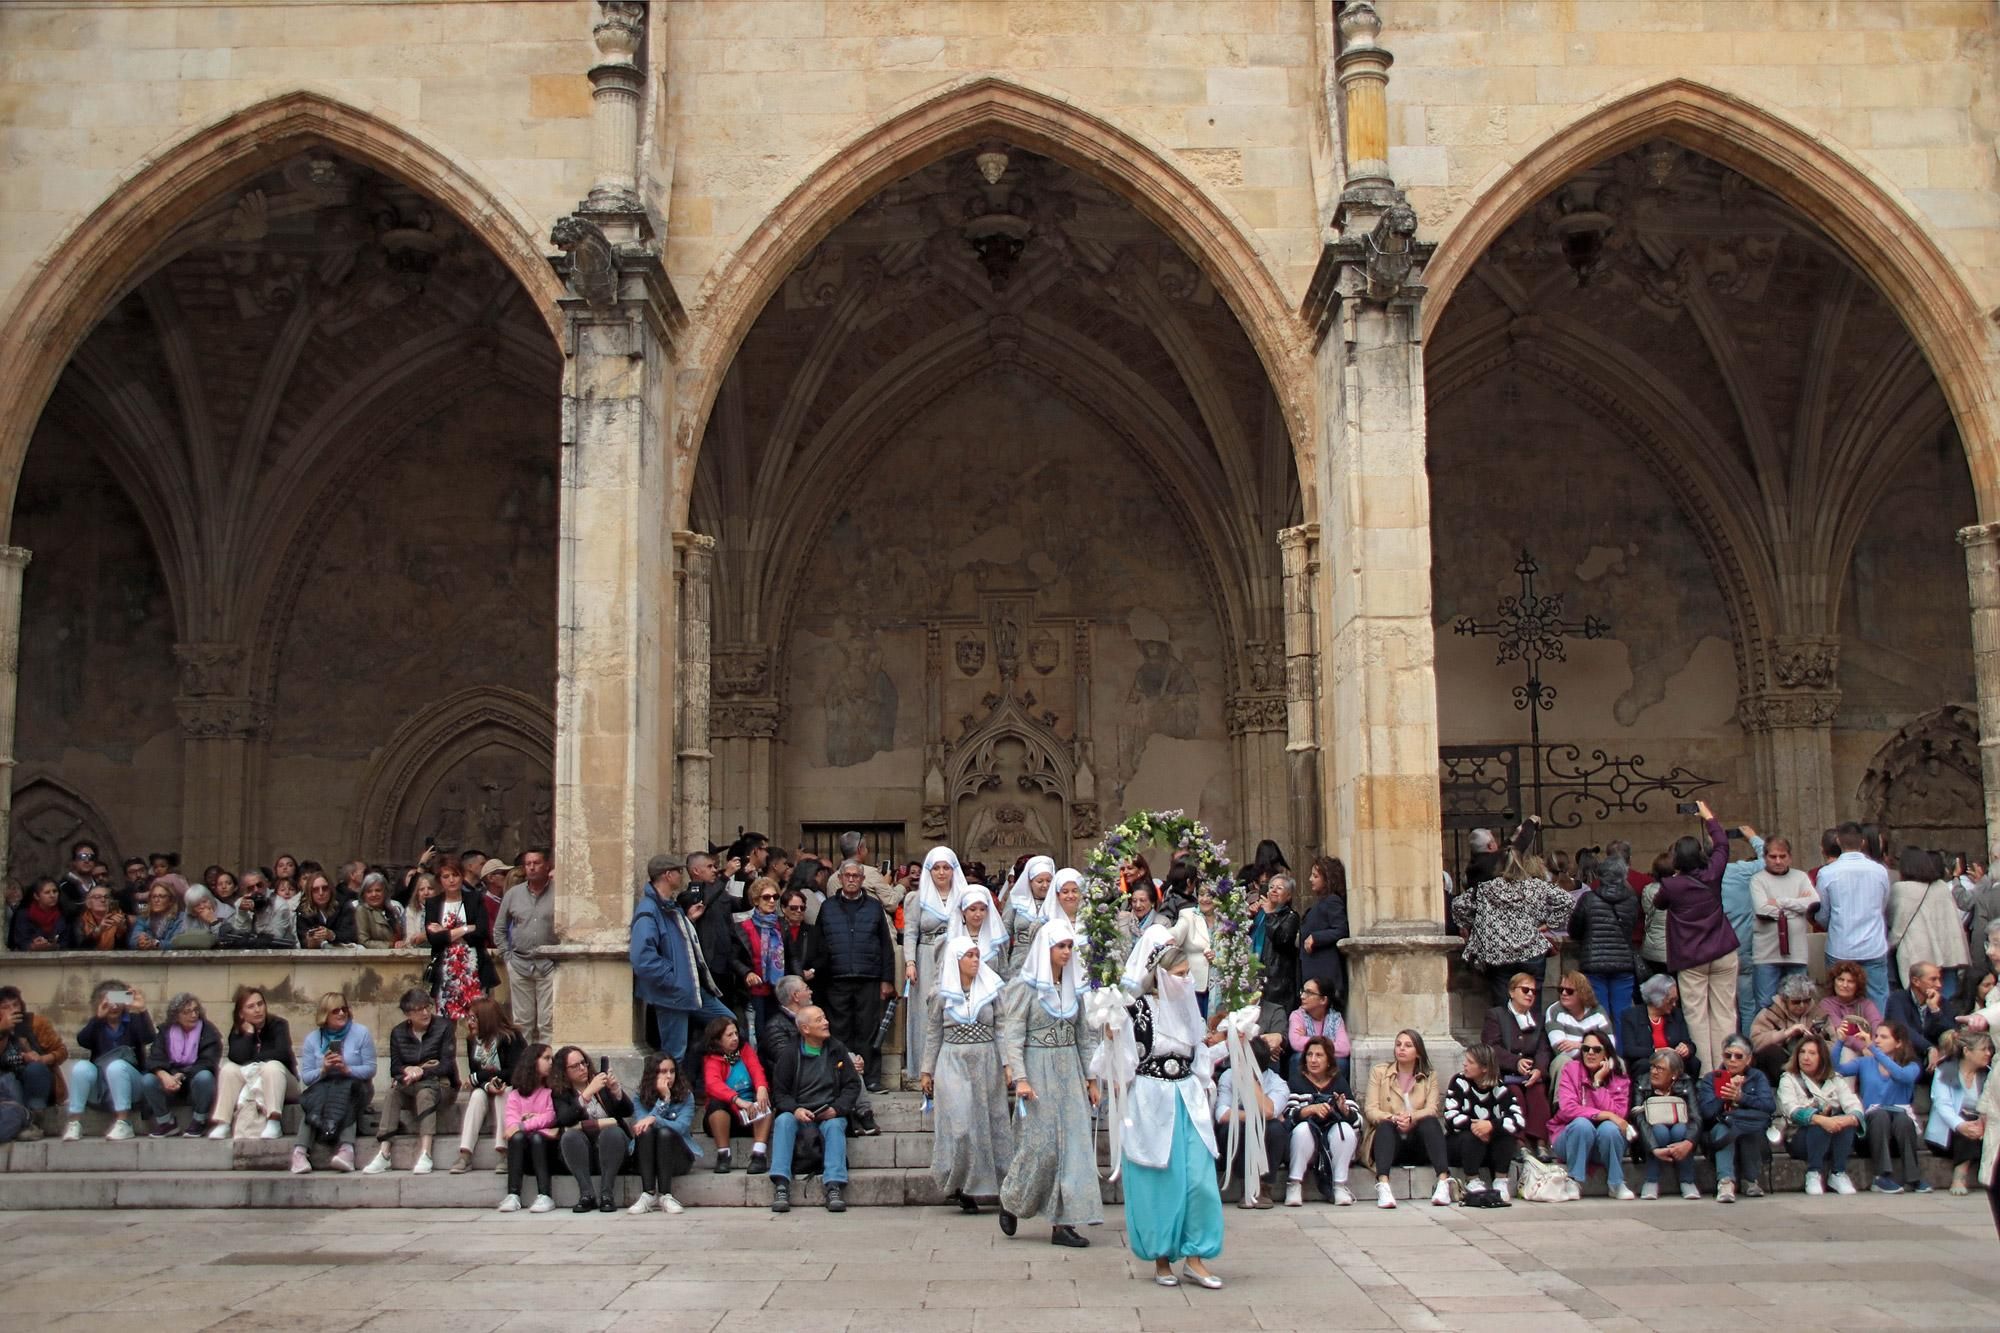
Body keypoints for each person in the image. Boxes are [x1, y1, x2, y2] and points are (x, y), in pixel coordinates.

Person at [1112, 942, 1226, 1289]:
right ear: (1161, 976)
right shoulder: (1138, 1011)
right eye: (1179, 975)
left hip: (1187, 1096)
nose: (1186, 980)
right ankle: (1161, 1257)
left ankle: (1195, 1256)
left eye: (1188, 974)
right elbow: (1123, 1061)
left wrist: (1233, 1038)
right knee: (1159, 1178)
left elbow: (1200, 1058)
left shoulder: (1190, 1009)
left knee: (1198, 1178)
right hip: (1151, 1099)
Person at [998, 921, 1103, 1245]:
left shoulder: (1075, 988)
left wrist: (1091, 1078)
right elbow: (1013, 1034)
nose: (1067, 953)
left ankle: (1063, 1222)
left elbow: (1084, 1036)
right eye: (1061, 947)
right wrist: (1021, 1078)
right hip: (1038, 1069)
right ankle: (1012, 1199)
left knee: (1073, 1146)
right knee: (1039, 1147)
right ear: (1047, 949)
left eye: (1070, 946)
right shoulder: (1025, 987)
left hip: (1068, 1069)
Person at [923, 934, 1012, 1212]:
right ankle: (958, 1182)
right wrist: (927, 1070)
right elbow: (933, 1032)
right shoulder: (940, 994)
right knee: (960, 1125)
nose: (975, 960)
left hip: (986, 1060)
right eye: (969, 956)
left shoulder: (991, 989)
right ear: (956, 960)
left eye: (977, 955)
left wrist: (1009, 1064)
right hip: (953, 1060)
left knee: (992, 1122)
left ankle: (999, 1186)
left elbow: (1001, 1029)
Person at [1654, 802, 1737, 1073]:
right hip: (1722, 949)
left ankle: (1706, 1077)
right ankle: (1728, 1071)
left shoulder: (1672, 885)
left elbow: (1658, 903)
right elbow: (1723, 845)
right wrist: (1709, 817)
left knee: (1696, 1018)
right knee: (1725, 1014)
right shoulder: (1713, 874)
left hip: (1691, 957)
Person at [1451, 819, 1571, 1007]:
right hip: (1531, 951)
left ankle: (1508, 1035)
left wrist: (1477, 925)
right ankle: (1532, 1034)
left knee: (1503, 1007)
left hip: (1500, 953)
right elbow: (1566, 901)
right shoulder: (1534, 886)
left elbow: (1458, 905)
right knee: (1532, 1006)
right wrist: (1548, 924)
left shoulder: (1486, 888)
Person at [766, 1004, 863, 1214]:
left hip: (828, 1111)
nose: (826, 1023)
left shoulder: (836, 1049)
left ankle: (834, 1185)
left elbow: (852, 1085)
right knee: (783, 1121)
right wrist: (795, 1110)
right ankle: (781, 1184)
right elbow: (780, 1093)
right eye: (819, 1020)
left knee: (836, 1125)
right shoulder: (790, 1054)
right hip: (800, 1113)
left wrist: (837, 1109)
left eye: (824, 1018)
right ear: (805, 1029)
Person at [818, 859, 897, 1094]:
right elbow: (819, 945)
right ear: (840, 879)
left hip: (869, 977)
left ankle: (871, 1079)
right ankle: (841, 1077)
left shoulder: (874, 907)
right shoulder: (828, 907)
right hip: (837, 978)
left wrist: (887, 979)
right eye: (847, 875)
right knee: (839, 1031)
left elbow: (885, 946)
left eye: (856, 875)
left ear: (863, 880)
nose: (851, 879)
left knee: (868, 1030)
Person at [362, 988, 457, 1176]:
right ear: (408, 1014)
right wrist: (407, 1070)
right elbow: (394, 1068)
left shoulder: (444, 1027)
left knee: (425, 1092)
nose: (425, 1013)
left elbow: (447, 1065)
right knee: (392, 1093)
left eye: (427, 1007)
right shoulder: (398, 1033)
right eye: (418, 1009)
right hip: (411, 1086)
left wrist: (422, 1071)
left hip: (442, 1087)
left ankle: (426, 1153)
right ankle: (384, 1152)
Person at [1363, 1029, 1450, 1209]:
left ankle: (1443, 1182)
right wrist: (1394, 1118)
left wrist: (1412, 1117)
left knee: (1430, 1122)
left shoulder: (1429, 1076)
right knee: (1385, 1126)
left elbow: (1432, 1109)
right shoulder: (1379, 1072)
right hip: (1389, 1143)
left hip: (1417, 1143)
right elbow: (1370, 1110)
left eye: (1408, 1045)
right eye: (1398, 1044)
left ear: (1418, 1052)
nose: (1401, 1049)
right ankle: (1384, 1185)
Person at [291, 991, 376, 1174]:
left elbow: (370, 1069)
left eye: (344, 1009)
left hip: (356, 1085)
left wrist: (348, 1070)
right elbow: (306, 1077)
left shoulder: (361, 1033)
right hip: (325, 1085)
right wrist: (323, 1070)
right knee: (315, 1101)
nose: (341, 1014)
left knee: (345, 1094)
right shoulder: (313, 1039)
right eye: (335, 1011)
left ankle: (347, 1150)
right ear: (324, 1015)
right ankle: (300, 1152)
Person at [1837, 1020, 1924, 1193]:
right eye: (1876, 1036)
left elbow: (1902, 1076)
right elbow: (1835, 1068)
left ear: (1898, 1043)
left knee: (1902, 1118)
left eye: (1883, 1037)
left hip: (1899, 1136)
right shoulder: (1864, 1063)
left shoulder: (1912, 1066)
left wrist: (1874, 1051)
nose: (1876, 1041)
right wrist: (1840, 1041)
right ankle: (1881, 1177)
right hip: (1869, 1136)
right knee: (1880, 1114)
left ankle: (1914, 1178)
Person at [62, 980, 154, 1141]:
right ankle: (74, 1123)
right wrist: (98, 1018)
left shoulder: (133, 1021)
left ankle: (123, 1122)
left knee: (116, 1067)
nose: (114, 1006)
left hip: (131, 1084)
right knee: (81, 1067)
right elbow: (83, 1040)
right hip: (102, 1087)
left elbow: (148, 1037)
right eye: (109, 1000)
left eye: (118, 1000)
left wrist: (141, 1010)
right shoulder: (97, 1025)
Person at [904, 847, 968, 1082]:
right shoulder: (916, 899)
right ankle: (925, 1070)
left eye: (946, 868)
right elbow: (910, 933)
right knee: (926, 1013)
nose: (941, 873)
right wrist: (910, 962)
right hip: (927, 956)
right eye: (936, 868)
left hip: (956, 958)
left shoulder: (964, 896)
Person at [1816, 822, 1893, 1008]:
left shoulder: (1827, 873)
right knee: (1878, 998)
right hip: (1873, 944)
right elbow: (1883, 904)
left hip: (1841, 945)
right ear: (1863, 842)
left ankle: (1842, 1033)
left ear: (1838, 840)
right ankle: (1878, 1035)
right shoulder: (1880, 871)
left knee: (1839, 999)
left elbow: (1823, 912)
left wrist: (1833, 925)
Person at [1549, 1034, 1633, 1201]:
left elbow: (1620, 1114)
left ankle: (1616, 1183)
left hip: (1604, 1143)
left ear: (1606, 1054)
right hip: (1571, 1138)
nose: (1590, 1053)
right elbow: (1568, 1109)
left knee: (1609, 1128)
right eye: (1585, 1049)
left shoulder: (1619, 1078)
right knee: (1582, 1124)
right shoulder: (1571, 1069)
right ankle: (1574, 1180)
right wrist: (1606, 1115)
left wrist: (1598, 1083)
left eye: (1596, 1049)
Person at [1777, 1034, 1863, 1195]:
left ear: (1821, 1057)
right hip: (1799, 1138)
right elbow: (1792, 1110)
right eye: (1802, 1052)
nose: (1806, 1057)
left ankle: (1838, 1173)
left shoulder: (1835, 1079)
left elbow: (1854, 1104)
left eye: (1812, 1053)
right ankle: (1813, 1172)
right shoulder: (1788, 1079)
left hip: (1833, 1138)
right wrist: (1821, 1119)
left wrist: (1848, 1119)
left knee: (1846, 1121)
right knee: (1819, 1124)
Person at [552, 1044, 633, 1212]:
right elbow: (565, 1119)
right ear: (564, 1071)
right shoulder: (561, 1093)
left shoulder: (600, 1083)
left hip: (613, 1149)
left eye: (584, 1063)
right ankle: (586, 1194)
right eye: (575, 1066)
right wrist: (587, 1094)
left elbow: (627, 1111)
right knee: (570, 1137)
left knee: (612, 1132)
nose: (582, 1068)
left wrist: (616, 1090)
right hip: (583, 1153)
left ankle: (606, 1195)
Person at [1283, 1034, 1361, 1206]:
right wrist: (1308, 1110)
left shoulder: (1338, 1082)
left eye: (1319, 1055)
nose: (1313, 1060)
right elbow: (1288, 1116)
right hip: (1305, 1145)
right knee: (1303, 1130)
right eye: (1310, 1055)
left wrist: (1344, 1110)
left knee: (1345, 1131)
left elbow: (1357, 1121)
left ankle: (1339, 1185)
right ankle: (1294, 1183)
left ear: (1329, 1060)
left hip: (1330, 1142)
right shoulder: (1297, 1081)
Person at [1695, 1034, 1774, 1202]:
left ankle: (1750, 1179)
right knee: (1725, 1129)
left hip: (1747, 1124)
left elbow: (1768, 1106)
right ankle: (1725, 1182)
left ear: (1748, 1059)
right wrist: (1725, 1094)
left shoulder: (1757, 1077)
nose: (1732, 1060)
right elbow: (1706, 1113)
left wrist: (1741, 1097)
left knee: (1749, 1129)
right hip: (1719, 1127)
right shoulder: (1712, 1078)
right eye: (1728, 1055)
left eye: (1738, 1056)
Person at [1482, 972, 1554, 1157]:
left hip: (1530, 1074)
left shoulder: (1538, 1019)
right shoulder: (1496, 1015)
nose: (1530, 994)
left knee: (1537, 1092)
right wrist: (1516, 1062)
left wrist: (1539, 1069)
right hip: (1505, 1074)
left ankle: (1540, 1142)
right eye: (1525, 990)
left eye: (1533, 991)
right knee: (1513, 1093)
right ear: (1512, 992)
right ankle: (1519, 1141)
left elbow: (1543, 1049)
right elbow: (1491, 1047)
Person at [211, 985, 297, 1140]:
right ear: (241, 1013)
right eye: (251, 1007)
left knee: (272, 1066)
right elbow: (236, 1057)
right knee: (229, 1069)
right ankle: (223, 1123)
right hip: (252, 1080)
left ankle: (274, 1121)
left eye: (260, 1004)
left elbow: (282, 1053)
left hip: (284, 1083)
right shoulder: (238, 1030)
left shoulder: (278, 1025)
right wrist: (249, 1034)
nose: (258, 1010)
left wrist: (255, 1062)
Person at [1569, 855, 1640, 1040]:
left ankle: (1604, 1057)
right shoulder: (1632, 900)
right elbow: (1631, 928)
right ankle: (1622, 1059)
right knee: (1622, 1015)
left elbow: (1574, 929)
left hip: (1594, 962)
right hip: (1623, 962)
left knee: (1599, 1015)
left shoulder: (1588, 899)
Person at [1444, 1043, 1524, 1207]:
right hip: (1460, 1147)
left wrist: (1491, 1126)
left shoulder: (1500, 1088)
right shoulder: (1459, 1081)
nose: (1465, 1064)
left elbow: (1518, 1120)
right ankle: (1472, 1179)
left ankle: (1501, 1180)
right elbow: (1450, 1116)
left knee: (1506, 1136)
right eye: (1466, 1060)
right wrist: (1477, 1126)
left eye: (1470, 1062)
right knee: (1470, 1136)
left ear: (1485, 1068)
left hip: (1489, 1148)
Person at [1215, 1035, 1287, 1210]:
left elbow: (1269, 1111)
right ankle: (1245, 1185)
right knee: (1235, 1127)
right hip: (1237, 1140)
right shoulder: (1228, 1076)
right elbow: (1222, 1114)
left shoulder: (1278, 1083)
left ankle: (1265, 1187)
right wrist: (1255, 1115)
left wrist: (1248, 1079)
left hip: (1266, 1138)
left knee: (1276, 1128)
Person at [1889, 850, 1969, 1001]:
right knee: (1946, 999)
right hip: (1947, 952)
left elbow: (1895, 924)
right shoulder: (1941, 887)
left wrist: (1887, 945)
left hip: (1917, 954)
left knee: (1920, 999)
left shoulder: (1900, 890)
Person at [1749, 838, 1817, 1014]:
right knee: (1766, 1005)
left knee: (1800, 1002)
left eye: (1782, 856)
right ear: (1765, 857)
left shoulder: (1800, 877)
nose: (1778, 861)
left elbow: (1813, 903)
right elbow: (1761, 908)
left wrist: (1780, 902)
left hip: (1796, 953)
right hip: (1766, 955)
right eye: (1773, 856)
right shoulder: (1758, 880)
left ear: (1790, 857)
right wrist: (1796, 908)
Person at [497, 848, 558, 1045]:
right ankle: (526, 1067)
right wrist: (507, 955)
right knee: (523, 1022)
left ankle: (549, 1065)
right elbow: (499, 927)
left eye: (536, 863)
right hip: (519, 962)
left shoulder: (559, 893)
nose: (532, 867)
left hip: (548, 964)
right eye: (528, 863)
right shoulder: (513, 894)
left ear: (547, 865)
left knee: (548, 1022)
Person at [138, 992, 220, 1136]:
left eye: (196, 1010)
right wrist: (163, 1075)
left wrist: (181, 1075)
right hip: (170, 1081)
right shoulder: (165, 1031)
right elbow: (155, 1058)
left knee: (205, 1077)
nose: (193, 1015)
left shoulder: (208, 1031)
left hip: (193, 1082)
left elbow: (208, 1061)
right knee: (147, 1080)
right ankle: (166, 1122)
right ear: (176, 1015)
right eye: (187, 1012)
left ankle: (199, 1120)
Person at [629, 1052, 700, 1213]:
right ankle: (648, 1193)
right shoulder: (640, 1097)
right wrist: (663, 1101)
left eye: (672, 1071)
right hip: (648, 1156)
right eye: (663, 1071)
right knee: (646, 1132)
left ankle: (666, 1195)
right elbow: (641, 1125)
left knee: (665, 1133)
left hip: (677, 1155)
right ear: (653, 1074)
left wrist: (656, 1118)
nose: (669, 1076)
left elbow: (681, 1127)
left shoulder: (686, 1096)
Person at [424, 861, 494, 1022]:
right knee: (446, 1022)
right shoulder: (433, 903)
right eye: (446, 876)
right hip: (446, 968)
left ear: (462, 876)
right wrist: (466, 928)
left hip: (473, 967)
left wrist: (446, 931)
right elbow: (434, 938)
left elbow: (481, 932)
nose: (451, 880)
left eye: (455, 875)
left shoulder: (475, 899)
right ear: (440, 880)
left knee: (478, 1020)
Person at [700, 1016, 770, 1174]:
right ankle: (724, 1155)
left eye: (736, 1034)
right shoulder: (712, 1059)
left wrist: (761, 1088)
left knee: (765, 1101)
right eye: (729, 1035)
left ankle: (759, 1154)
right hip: (729, 1113)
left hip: (750, 1112)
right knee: (716, 1106)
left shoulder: (745, 1051)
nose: (735, 1038)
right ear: (718, 1040)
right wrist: (737, 1100)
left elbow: (756, 1069)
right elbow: (713, 1085)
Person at [1926, 1030, 1991, 1195]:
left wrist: (1982, 1124)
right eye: (1983, 1049)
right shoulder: (1946, 1069)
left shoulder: (1988, 1074)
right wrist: (1960, 1125)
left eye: (1989, 1049)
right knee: (1967, 1122)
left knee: (1975, 1123)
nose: (1988, 1053)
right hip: (1946, 1136)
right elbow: (1943, 1105)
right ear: (1967, 1051)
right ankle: (1959, 1177)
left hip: (1980, 1130)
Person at [1633, 1049, 1702, 1200]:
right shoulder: (1641, 1083)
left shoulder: (1685, 1083)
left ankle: (1687, 1181)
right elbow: (1638, 1118)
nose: (1654, 1072)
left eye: (1660, 1069)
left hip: (1679, 1131)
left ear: (1674, 1074)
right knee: (1660, 1131)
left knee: (1680, 1130)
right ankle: (1651, 1180)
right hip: (1649, 1136)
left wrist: (1688, 1142)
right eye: (1653, 1067)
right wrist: (1654, 1148)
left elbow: (1695, 1117)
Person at [498, 1043, 558, 1213]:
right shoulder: (515, 1095)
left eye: (552, 1058)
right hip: (525, 1154)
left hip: (547, 1151)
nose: (551, 1062)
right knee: (517, 1138)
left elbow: (550, 1116)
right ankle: (513, 1194)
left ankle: (545, 1194)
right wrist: (526, 1125)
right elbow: (511, 1125)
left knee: (538, 1137)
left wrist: (524, 1124)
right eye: (546, 1058)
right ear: (533, 1061)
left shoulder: (552, 1091)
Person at [0, 984, 67, 1119]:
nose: (12, 1010)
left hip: (37, 1082)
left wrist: (42, 1059)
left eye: (15, 1005)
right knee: (8, 1080)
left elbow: (62, 1051)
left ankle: (35, 1114)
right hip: (7, 1085)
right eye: (5, 1007)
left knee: (35, 1069)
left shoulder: (36, 1023)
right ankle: (22, 1118)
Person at [1621, 973, 1701, 1080]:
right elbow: (1629, 1050)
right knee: (1643, 1065)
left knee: (1694, 1063)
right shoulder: (1631, 1016)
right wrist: (1658, 1052)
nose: (1674, 1004)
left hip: (1674, 1061)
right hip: (1648, 1061)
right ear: (1657, 998)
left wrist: (1687, 1048)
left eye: (1675, 1000)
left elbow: (1689, 1043)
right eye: (1671, 1000)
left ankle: (1689, 1093)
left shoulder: (1676, 1014)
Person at [734, 876, 788, 1035]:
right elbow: (733, 957)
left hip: (778, 989)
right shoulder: (743, 927)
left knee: (776, 1031)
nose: (772, 901)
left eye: (775, 897)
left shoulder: (781, 925)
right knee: (758, 1031)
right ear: (756, 900)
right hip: (755, 990)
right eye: (766, 897)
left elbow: (792, 956)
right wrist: (747, 972)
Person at [1298, 856, 1351, 1012]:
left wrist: (1316, 937)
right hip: (1314, 975)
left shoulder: (1332, 901)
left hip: (1325, 976)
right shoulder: (1321, 904)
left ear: (1327, 878)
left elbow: (1341, 929)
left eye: (1315, 876)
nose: (1310, 879)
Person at [1749, 974, 1824, 1082]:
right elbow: (1755, 1043)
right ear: (1785, 999)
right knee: (1772, 1052)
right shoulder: (1769, 1012)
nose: (1802, 1005)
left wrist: (1815, 1041)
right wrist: (1786, 1034)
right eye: (1796, 1002)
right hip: (1780, 1065)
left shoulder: (1818, 1012)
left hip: (1812, 1062)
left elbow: (1832, 1043)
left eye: (1806, 1001)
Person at [1545, 973, 1614, 1087]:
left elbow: (1611, 1045)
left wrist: (1580, 1046)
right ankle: (1561, 1104)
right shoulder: (1554, 1011)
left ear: (1582, 993)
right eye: (1560, 989)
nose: (1563, 993)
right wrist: (1594, 1049)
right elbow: (1561, 1049)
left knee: (1618, 1062)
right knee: (1563, 1061)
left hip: (1595, 1061)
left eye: (1569, 991)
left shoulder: (1598, 1011)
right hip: (1569, 1061)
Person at [1885, 961, 1956, 1069]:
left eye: (1939, 979)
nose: (1939, 985)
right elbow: (1902, 1028)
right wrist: (1929, 1048)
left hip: (1935, 1060)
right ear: (1916, 981)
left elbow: (1951, 1031)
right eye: (1933, 979)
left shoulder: (1941, 1002)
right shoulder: (1897, 999)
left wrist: (1935, 1010)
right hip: (1905, 1058)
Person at [1256, 875, 1301, 1031]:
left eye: (1279, 888)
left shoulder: (1291, 917)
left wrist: (1270, 915)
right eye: (1271, 887)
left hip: (1278, 981)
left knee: (1275, 1024)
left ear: (1288, 896)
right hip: (1258, 977)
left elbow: (1282, 939)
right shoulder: (1261, 915)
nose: (1273, 890)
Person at [1813, 960, 1884, 1058]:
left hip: (1869, 1046)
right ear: (1834, 981)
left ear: (1857, 985)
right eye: (1840, 980)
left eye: (1850, 981)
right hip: (1841, 1047)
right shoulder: (1826, 1004)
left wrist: (1872, 1046)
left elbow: (1877, 1024)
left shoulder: (1866, 1004)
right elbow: (1841, 1029)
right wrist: (1863, 1047)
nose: (1844, 985)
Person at [1002, 856, 1057, 981]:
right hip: (1020, 962)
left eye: (1049, 881)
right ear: (1030, 881)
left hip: (1050, 963)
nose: (1045, 885)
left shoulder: (1057, 903)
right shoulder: (1016, 900)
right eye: (1040, 881)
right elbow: (1004, 932)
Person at [1287, 978, 1351, 1084]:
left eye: (1309, 993)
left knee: (1341, 1062)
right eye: (1302, 991)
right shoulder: (1297, 1015)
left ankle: (1332, 1096)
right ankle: (1299, 1094)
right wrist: (1329, 1044)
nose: (1302, 996)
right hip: (1308, 1063)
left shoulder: (1335, 1018)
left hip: (1328, 1064)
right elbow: (1296, 1043)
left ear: (1323, 1000)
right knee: (1298, 1058)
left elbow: (1344, 1048)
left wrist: (1310, 1041)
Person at [948, 879, 1007, 972]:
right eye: (972, 909)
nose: (978, 914)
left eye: (982, 909)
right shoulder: (951, 938)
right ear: (963, 910)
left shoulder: (995, 939)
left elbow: (1004, 971)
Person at [9, 878, 69, 952]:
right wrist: (33, 946)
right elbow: (20, 941)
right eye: (47, 892)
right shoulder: (24, 915)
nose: (52, 895)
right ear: (36, 896)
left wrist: (54, 946)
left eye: (55, 891)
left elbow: (66, 942)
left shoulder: (63, 914)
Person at [776, 886, 820, 980]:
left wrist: (812, 970)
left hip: (808, 981)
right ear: (783, 908)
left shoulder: (814, 931)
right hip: (780, 980)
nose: (799, 911)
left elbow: (823, 956)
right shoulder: (775, 929)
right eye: (793, 908)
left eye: (802, 908)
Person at [69, 885, 129, 952]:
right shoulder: (80, 921)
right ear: (88, 903)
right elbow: (80, 948)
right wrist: (98, 931)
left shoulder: (122, 918)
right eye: (97, 897)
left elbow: (126, 948)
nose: (103, 900)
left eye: (106, 897)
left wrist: (121, 932)